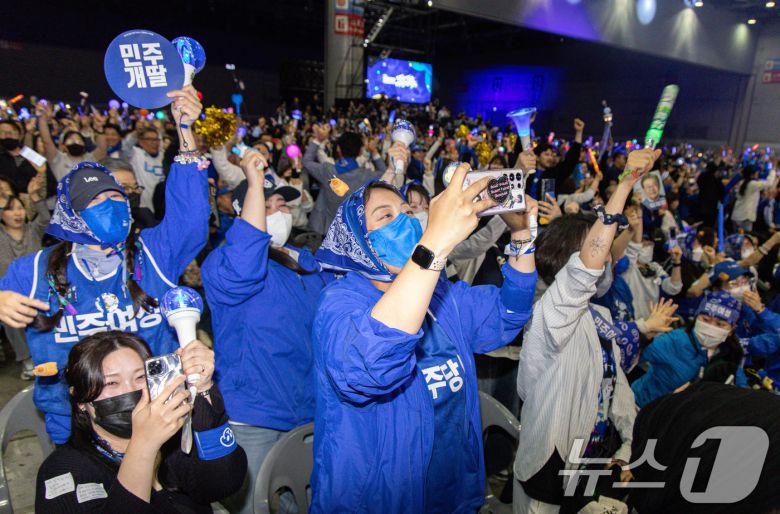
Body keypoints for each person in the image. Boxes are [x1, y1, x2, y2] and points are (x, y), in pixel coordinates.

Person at [311, 153, 538, 513]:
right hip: (382, 498)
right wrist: (433, 247)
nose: (403, 220)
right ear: (358, 241)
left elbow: (507, 315)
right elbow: (369, 367)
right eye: (385, 216)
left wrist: (522, 233)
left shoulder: (440, 293)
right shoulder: (339, 303)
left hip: (452, 488)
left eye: (405, 211)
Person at [0, 86, 209, 443]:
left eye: (116, 196)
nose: (111, 204)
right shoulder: (31, 272)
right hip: (75, 430)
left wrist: (185, 130)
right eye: (95, 200)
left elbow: (191, 216)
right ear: (69, 215)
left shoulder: (152, 253)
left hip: (158, 417)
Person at [513, 149, 660, 514]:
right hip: (549, 462)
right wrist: (625, 183)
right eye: (598, 250)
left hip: (588, 458)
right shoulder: (549, 315)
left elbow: (614, 385)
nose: (606, 257)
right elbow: (584, 271)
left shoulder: (599, 315)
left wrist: (629, 442)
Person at [201, 151, 333, 514]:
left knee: (301, 504)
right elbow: (246, 263)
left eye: (283, 205)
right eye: (267, 204)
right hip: (254, 415)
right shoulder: (226, 261)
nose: (279, 212)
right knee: (253, 506)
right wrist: (253, 183)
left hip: (307, 409)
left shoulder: (306, 263)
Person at [35, 331, 247, 512]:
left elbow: (223, 483)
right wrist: (143, 446)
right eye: (111, 382)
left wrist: (203, 390)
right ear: (80, 399)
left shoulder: (174, 443)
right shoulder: (63, 470)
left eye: (140, 378)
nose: (130, 391)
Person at [630, 292, 747, 408]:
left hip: (680, 420)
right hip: (641, 407)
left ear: (732, 330)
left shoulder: (730, 356)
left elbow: (740, 397)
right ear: (696, 317)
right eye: (706, 319)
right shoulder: (675, 340)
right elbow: (628, 357)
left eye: (720, 324)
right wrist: (646, 333)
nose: (711, 327)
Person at [0, 174, 49, 379]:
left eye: (20, 208)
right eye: (10, 210)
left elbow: (46, 218)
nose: (17, 213)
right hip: (8, 291)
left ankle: (46, 356)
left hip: (38, 287)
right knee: (11, 315)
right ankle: (27, 361)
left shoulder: (33, 230)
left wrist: (34, 197)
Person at [303, 124, 391, 234]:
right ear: (360, 151)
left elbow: (306, 162)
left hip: (324, 230)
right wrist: (373, 151)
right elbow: (385, 174)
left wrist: (318, 139)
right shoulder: (367, 176)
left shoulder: (327, 171)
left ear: (338, 149)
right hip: (352, 232)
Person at [36, 102, 108, 181]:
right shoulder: (58, 159)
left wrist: (100, 128)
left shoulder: (91, 158)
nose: (75, 141)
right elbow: (47, 141)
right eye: (70, 139)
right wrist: (42, 118)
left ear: (84, 145)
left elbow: (102, 148)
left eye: (79, 140)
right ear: (63, 145)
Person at [732, 164, 776, 233]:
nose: (757, 174)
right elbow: (768, 183)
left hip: (737, 216)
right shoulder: (752, 184)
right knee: (744, 240)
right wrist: (773, 170)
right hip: (745, 218)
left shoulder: (742, 182)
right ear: (752, 174)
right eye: (756, 172)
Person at [0, 119, 38, 193]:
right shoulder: (2, 159)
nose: (8, 135)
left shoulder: (28, 152)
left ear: (20, 135)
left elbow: (43, 168)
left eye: (11, 132)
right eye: (2, 132)